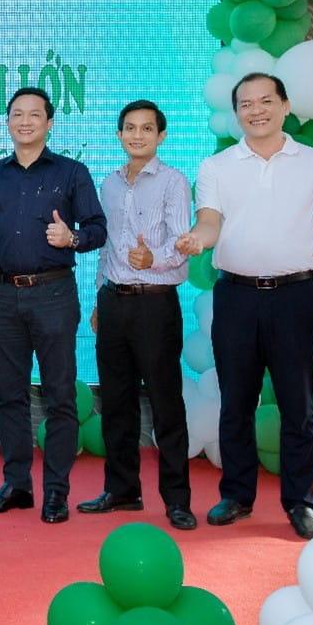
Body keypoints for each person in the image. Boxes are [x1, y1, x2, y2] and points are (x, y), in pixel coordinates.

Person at [176, 72, 313, 540]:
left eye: (265, 101)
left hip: (296, 297)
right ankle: (237, 495)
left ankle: (300, 502)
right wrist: (197, 239)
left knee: (298, 404)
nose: (256, 110)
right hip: (235, 297)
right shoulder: (217, 166)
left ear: (285, 106)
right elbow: (209, 221)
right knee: (236, 401)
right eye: (246, 104)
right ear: (237, 114)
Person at [0, 87, 105, 525]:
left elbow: (98, 228)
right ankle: (17, 485)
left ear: (49, 123)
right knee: (9, 394)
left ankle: (56, 491)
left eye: (34, 115)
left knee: (60, 395)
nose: (25, 121)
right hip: (4, 294)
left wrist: (72, 238)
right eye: (17, 114)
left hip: (53, 293)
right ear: (8, 122)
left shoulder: (72, 172)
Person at [77, 100, 195, 530]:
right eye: (130, 128)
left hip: (155, 304)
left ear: (161, 136)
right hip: (113, 302)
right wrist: (98, 299)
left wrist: (153, 259)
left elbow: (182, 244)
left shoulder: (173, 182)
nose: (137, 135)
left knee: (166, 404)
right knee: (116, 402)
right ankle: (122, 490)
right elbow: (108, 247)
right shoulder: (108, 184)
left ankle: (177, 500)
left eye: (147, 128)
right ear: (119, 135)